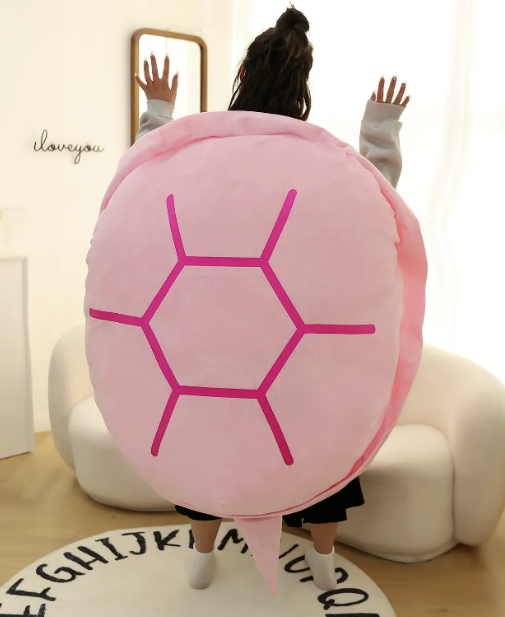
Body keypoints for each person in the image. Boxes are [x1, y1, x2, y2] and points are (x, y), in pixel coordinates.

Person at [134, 4, 409, 592]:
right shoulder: (320, 163)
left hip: (212, 348)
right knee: (319, 447)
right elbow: (371, 209)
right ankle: (324, 562)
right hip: (297, 352)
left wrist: (158, 112)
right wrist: (379, 132)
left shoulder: (202, 153)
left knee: (214, 442)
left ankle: (201, 556)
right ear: (303, 86)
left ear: (243, 73)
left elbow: (146, 189)